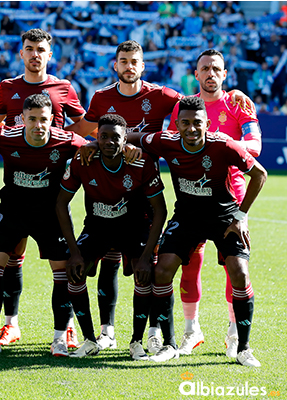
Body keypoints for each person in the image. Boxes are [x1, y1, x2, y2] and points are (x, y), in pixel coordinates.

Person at [66, 40, 252, 354]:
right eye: (123, 61)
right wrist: (83, 142)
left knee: (149, 268)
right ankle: (107, 331)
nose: (128, 66)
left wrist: (231, 96)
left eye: (134, 61)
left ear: (142, 65)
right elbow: (85, 127)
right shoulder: (101, 97)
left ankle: (153, 333)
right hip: (110, 189)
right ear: (115, 64)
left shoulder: (163, 95)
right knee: (109, 262)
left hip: (145, 193)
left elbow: (201, 101)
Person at [128, 96, 267, 367]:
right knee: (162, 270)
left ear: (208, 124)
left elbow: (260, 174)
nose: (191, 129)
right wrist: (116, 144)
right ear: (177, 125)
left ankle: (243, 348)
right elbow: (132, 136)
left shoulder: (225, 145)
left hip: (224, 217)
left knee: (240, 273)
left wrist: (241, 215)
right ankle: (169, 345)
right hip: (188, 217)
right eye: (186, 123)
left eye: (197, 123)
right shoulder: (166, 141)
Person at [0, 28, 86, 349]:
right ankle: (9, 325)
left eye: (41, 49)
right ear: (21, 53)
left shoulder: (64, 88)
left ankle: (65, 330)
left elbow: (84, 128)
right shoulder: (8, 88)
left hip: (52, 193)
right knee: (8, 259)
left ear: (50, 55)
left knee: (61, 267)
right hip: (16, 188)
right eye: (29, 49)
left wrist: (97, 140)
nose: (35, 54)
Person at [167, 49, 262, 358]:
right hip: (192, 201)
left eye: (216, 68)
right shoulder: (183, 109)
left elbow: (256, 146)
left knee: (233, 268)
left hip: (230, 202)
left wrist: (219, 141)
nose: (210, 73)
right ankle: (192, 330)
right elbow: (172, 144)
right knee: (189, 264)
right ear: (196, 74)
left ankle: (235, 333)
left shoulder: (238, 105)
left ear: (225, 73)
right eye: (204, 68)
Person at [56, 114, 167, 360]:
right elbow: (61, 203)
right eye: (103, 136)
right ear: (96, 137)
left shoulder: (141, 162)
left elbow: (160, 210)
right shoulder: (83, 160)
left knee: (144, 275)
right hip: (97, 228)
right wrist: (74, 252)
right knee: (73, 271)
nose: (108, 142)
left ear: (125, 139)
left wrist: (147, 255)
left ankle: (137, 341)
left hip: (134, 228)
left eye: (115, 137)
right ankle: (89, 340)